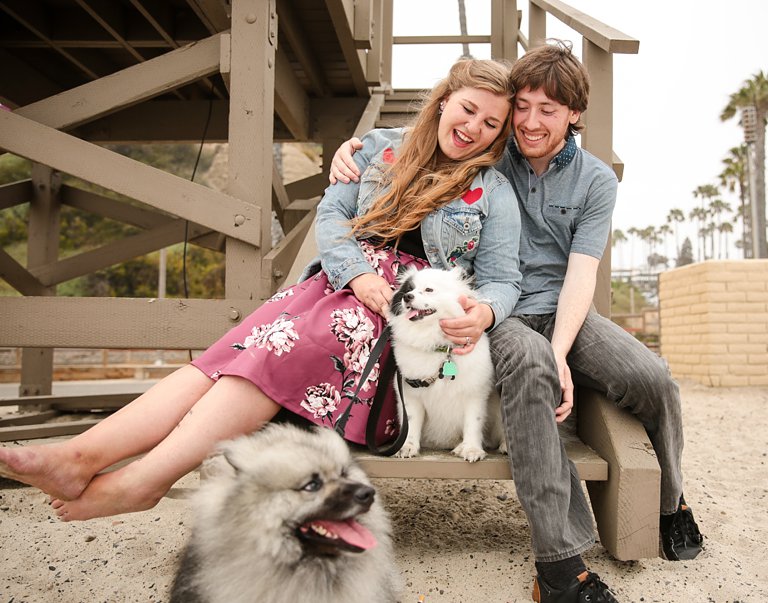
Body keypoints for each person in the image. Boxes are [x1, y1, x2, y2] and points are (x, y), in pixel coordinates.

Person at [0, 59, 522, 522]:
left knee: (269, 354)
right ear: (443, 102)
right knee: (222, 358)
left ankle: (145, 480)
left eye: (490, 123)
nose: (473, 127)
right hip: (338, 283)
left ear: (499, 136)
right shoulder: (378, 149)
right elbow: (334, 216)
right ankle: (81, 457)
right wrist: (356, 273)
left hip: (398, 311)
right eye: (468, 109)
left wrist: (483, 314)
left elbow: (502, 281)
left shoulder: (493, 191)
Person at [329, 41, 704, 603]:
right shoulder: (488, 150)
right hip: (501, 311)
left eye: (547, 111)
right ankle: (560, 565)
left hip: (564, 309)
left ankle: (671, 500)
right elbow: (416, 147)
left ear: (574, 114)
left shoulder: (597, 181)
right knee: (531, 370)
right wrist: (352, 150)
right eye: (522, 106)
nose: (528, 123)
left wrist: (562, 351)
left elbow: (580, 274)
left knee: (652, 378)